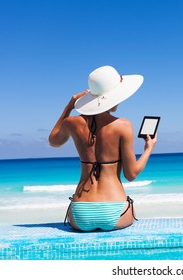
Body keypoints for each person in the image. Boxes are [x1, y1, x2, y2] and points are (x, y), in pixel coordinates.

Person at [49, 66, 157, 231]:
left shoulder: (71, 123)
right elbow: (131, 174)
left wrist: (69, 107)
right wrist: (149, 148)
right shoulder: (123, 126)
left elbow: (54, 141)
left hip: (80, 213)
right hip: (115, 211)